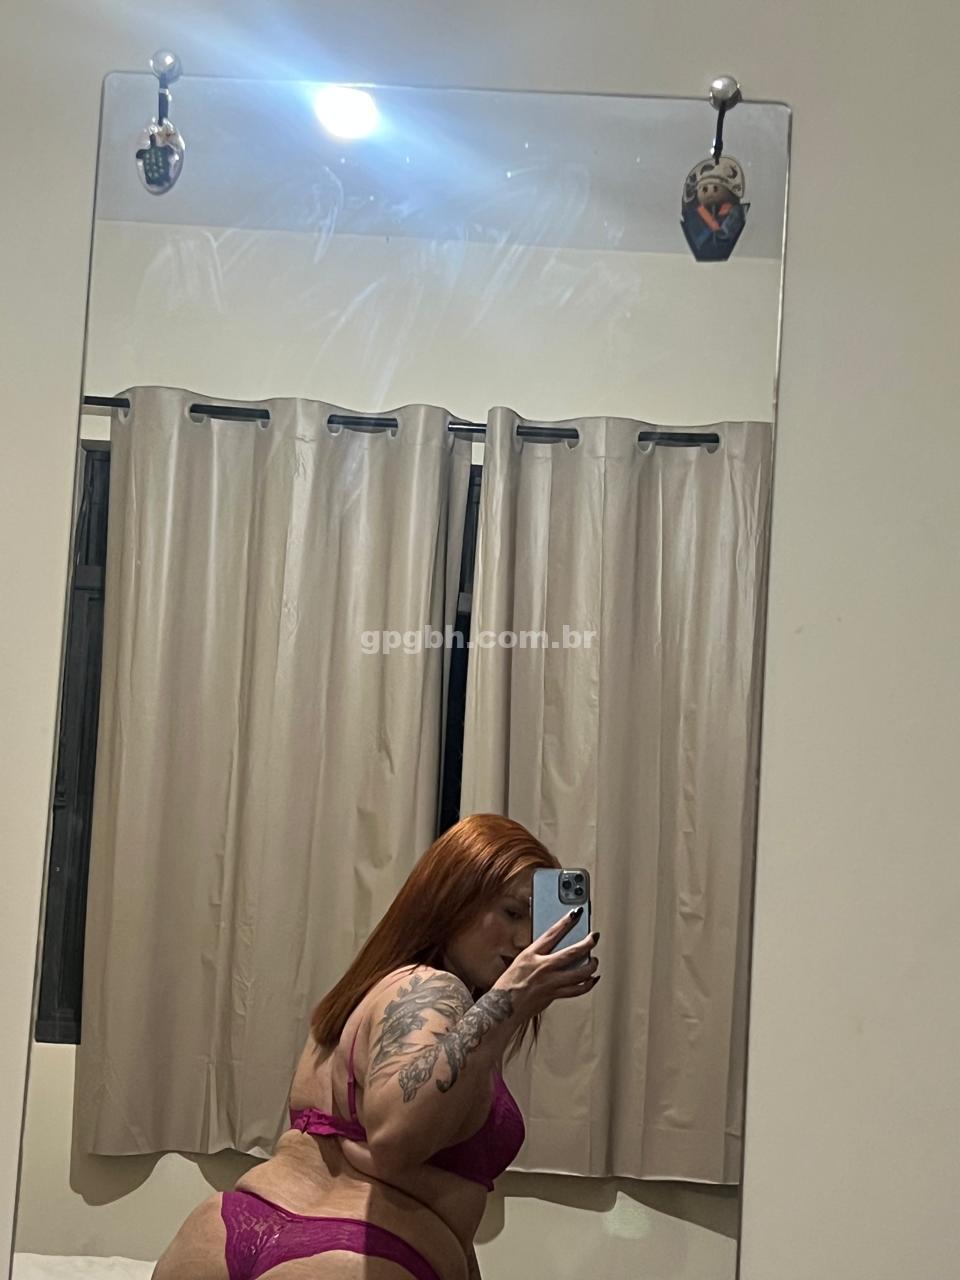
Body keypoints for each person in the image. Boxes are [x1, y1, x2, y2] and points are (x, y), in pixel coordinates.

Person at [152, 813, 600, 1280]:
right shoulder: (432, 990)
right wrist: (504, 1003)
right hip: (351, 1254)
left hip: (228, 1230)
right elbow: (393, 1137)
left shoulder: (365, 995)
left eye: (535, 918)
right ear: (453, 898)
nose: (526, 939)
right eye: (512, 912)